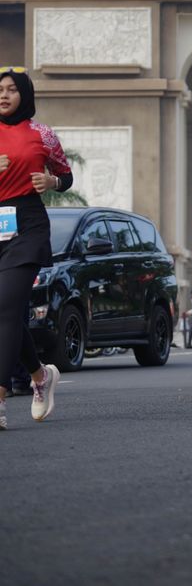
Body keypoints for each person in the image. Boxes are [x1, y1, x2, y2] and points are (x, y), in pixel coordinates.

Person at [0, 67, 73, 430]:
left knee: (6, 308)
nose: (3, 95)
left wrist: (51, 180)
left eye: (11, 89)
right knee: (8, 313)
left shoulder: (42, 134)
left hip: (27, 224)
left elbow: (67, 176)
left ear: (25, 95)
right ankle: (40, 376)